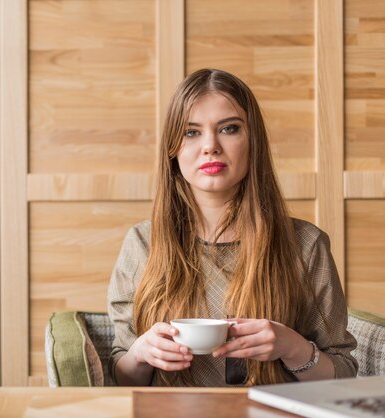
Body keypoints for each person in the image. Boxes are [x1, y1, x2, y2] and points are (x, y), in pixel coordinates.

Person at [107, 68, 358, 387]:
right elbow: (120, 375)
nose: (210, 146)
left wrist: (292, 347)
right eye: (191, 132)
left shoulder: (306, 244)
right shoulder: (142, 243)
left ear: (253, 140)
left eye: (229, 128)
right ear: (173, 148)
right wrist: (140, 354)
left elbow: (345, 373)